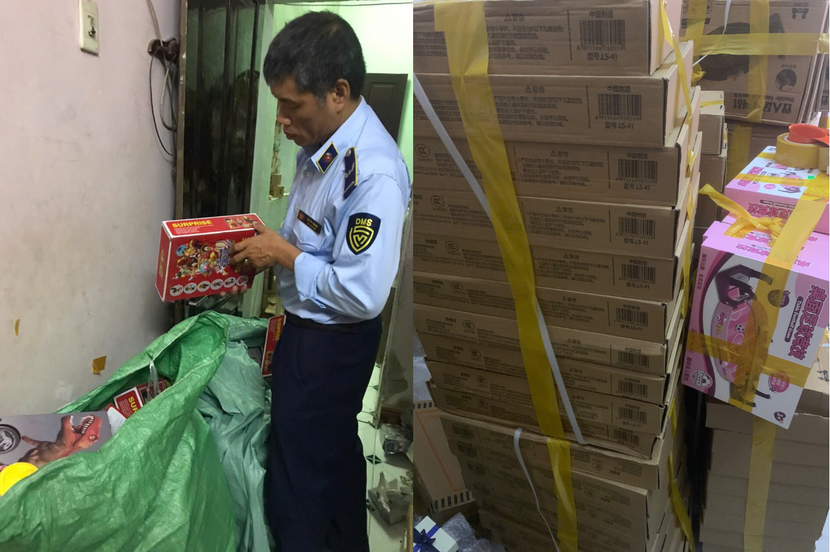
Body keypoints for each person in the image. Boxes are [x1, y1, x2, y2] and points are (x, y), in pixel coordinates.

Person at [228, 11, 410, 552]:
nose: (281, 120)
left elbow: (363, 293)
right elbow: (313, 239)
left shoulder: (371, 174)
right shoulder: (320, 148)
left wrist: (283, 254)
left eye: (291, 105)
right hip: (308, 333)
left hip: (332, 345)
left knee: (302, 472)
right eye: (278, 103)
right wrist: (270, 250)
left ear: (338, 92)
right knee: (329, 456)